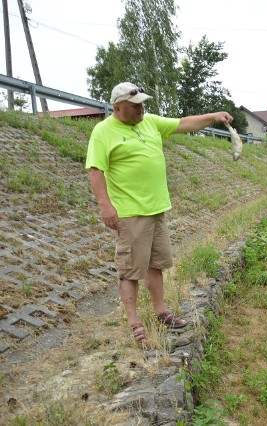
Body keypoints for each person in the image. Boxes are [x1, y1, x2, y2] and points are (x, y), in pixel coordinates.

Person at [86, 82, 233, 344]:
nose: (141, 108)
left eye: (143, 103)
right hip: (130, 213)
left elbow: (183, 124)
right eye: (135, 106)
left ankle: (161, 311)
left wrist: (212, 116)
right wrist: (105, 206)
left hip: (156, 209)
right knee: (130, 269)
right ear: (118, 107)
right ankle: (134, 323)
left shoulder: (150, 122)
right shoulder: (103, 131)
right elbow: (95, 169)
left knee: (157, 263)